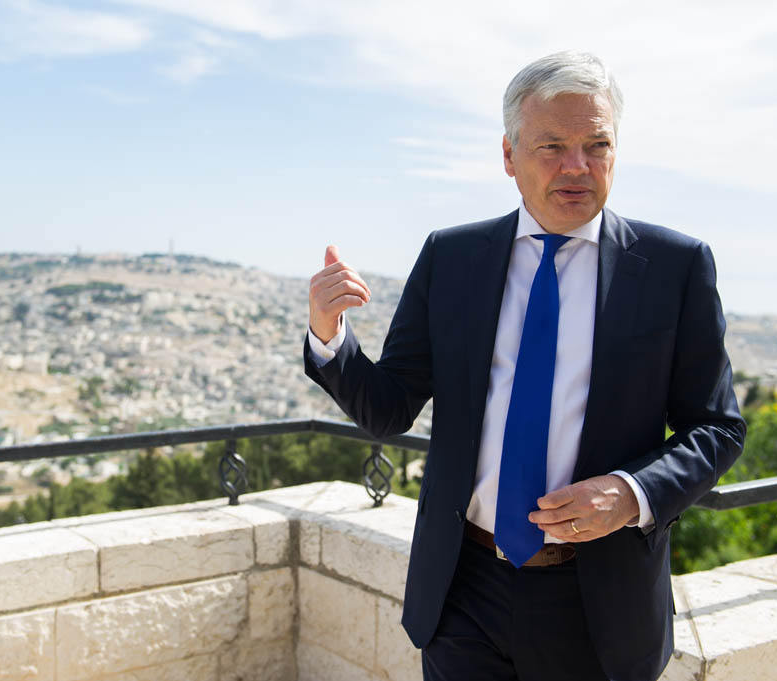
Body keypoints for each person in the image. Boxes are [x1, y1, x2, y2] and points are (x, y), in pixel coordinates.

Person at [303, 51, 745, 681]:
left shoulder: (675, 267)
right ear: (509, 156)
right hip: (463, 593)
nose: (577, 166)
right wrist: (329, 333)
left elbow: (717, 429)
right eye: (552, 145)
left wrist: (632, 493)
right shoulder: (451, 257)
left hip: (600, 606)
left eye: (597, 144)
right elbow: (390, 406)